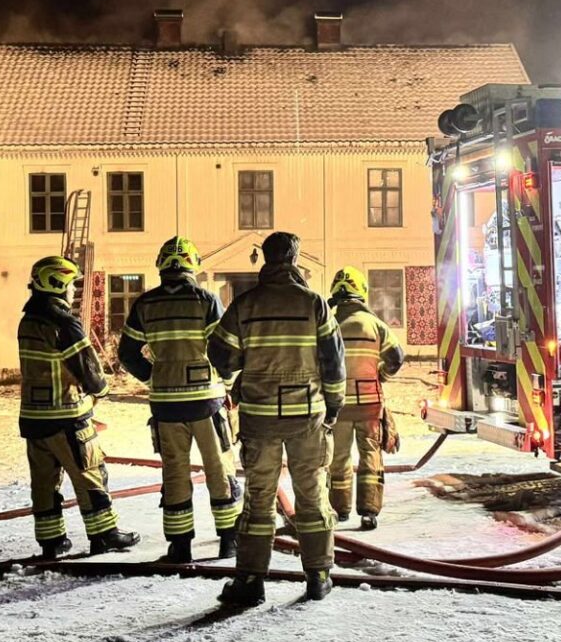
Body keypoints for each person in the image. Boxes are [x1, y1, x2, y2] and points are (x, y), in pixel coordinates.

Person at [208, 231, 344, 605]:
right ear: (296, 259)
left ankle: (251, 581)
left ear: (264, 258)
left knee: (259, 500)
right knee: (312, 495)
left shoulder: (244, 305)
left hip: (260, 417)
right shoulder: (315, 304)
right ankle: (318, 576)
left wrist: (245, 369)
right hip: (307, 417)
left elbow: (221, 356)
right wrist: (332, 406)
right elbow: (333, 363)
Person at [117, 237, 241, 564]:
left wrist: (154, 377)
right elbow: (225, 350)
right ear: (193, 266)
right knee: (219, 469)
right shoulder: (207, 301)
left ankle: (180, 547)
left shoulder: (145, 305)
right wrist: (226, 383)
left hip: (166, 407)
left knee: (174, 473)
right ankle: (229, 542)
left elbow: (127, 353)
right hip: (207, 403)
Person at [19, 255, 140, 558]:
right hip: (67, 417)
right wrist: (101, 390)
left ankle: (52, 541)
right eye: (71, 283)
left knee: (44, 482)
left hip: (34, 419)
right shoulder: (63, 322)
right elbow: (88, 367)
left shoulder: (28, 320)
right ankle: (104, 534)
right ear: (57, 283)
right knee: (90, 473)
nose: (73, 290)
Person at [325, 267, 406, 530]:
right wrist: (381, 374)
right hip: (370, 405)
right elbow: (396, 357)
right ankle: (369, 511)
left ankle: (340, 508)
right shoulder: (375, 325)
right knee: (370, 453)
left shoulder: (328, 324)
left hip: (337, 406)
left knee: (338, 457)